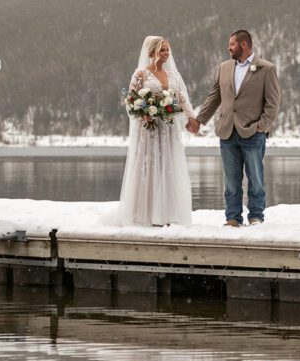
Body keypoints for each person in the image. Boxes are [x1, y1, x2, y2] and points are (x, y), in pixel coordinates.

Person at [187, 30, 280, 226]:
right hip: (227, 131)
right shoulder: (224, 67)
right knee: (231, 180)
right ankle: (233, 218)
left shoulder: (266, 68)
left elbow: (273, 102)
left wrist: (262, 126)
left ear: (243, 44)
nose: (228, 48)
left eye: (232, 44)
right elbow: (215, 96)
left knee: (256, 179)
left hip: (253, 132)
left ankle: (256, 217)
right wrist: (199, 120)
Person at [117, 35, 195, 226]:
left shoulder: (173, 75)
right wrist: (144, 114)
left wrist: (191, 118)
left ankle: (168, 213)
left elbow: (182, 99)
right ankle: (145, 214)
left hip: (168, 129)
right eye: (162, 50)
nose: (166, 53)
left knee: (168, 167)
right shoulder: (141, 74)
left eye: (167, 50)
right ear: (152, 52)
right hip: (149, 130)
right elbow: (130, 102)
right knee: (149, 167)